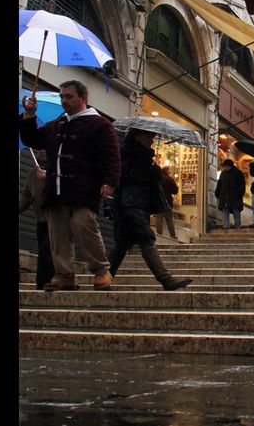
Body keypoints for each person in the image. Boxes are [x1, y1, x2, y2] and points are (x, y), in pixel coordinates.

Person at [19, 80, 120, 291]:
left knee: (85, 225)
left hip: (84, 188)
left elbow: (111, 156)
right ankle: (64, 275)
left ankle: (101, 270)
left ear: (83, 98)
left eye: (69, 96)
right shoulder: (56, 124)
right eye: (62, 96)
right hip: (55, 189)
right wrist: (29, 116)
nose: (64, 100)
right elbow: (34, 140)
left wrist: (109, 181)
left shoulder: (100, 124)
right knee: (58, 235)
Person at [107, 130, 192, 290]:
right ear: (136, 137)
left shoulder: (145, 159)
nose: (151, 141)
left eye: (153, 138)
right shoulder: (128, 158)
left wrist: (154, 172)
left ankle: (104, 278)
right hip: (130, 205)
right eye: (148, 137)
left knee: (122, 244)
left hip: (140, 205)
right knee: (146, 238)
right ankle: (166, 279)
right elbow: (120, 181)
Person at [19, 150, 55, 290]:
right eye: (39, 149)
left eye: (45, 149)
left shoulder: (58, 168)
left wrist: (48, 178)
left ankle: (48, 280)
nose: (41, 152)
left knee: (48, 248)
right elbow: (26, 195)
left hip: (56, 216)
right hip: (40, 218)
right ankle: (42, 282)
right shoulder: (33, 173)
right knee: (43, 249)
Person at [215, 159, 246, 229]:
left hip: (234, 196)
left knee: (235, 210)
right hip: (225, 195)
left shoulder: (237, 173)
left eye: (225, 166)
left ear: (229, 166)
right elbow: (219, 184)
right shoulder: (224, 173)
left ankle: (237, 225)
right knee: (226, 210)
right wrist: (218, 193)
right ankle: (226, 224)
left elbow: (241, 186)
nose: (224, 168)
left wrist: (239, 194)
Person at [155, 162, 179, 239]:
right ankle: (173, 235)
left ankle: (159, 235)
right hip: (168, 202)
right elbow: (175, 191)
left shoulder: (157, 179)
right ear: (166, 171)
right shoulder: (169, 179)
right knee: (169, 220)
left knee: (159, 219)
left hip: (158, 201)